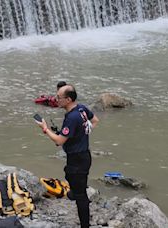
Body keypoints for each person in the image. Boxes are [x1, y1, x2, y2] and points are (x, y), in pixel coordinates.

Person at [35, 84, 99, 228]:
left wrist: (44, 128)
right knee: (70, 176)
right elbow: (95, 121)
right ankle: (75, 192)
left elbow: (59, 141)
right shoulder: (81, 108)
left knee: (81, 197)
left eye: (59, 97)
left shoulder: (72, 117)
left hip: (78, 159)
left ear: (68, 99)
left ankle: (85, 225)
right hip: (83, 156)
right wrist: (82, 133)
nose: (55, 99)